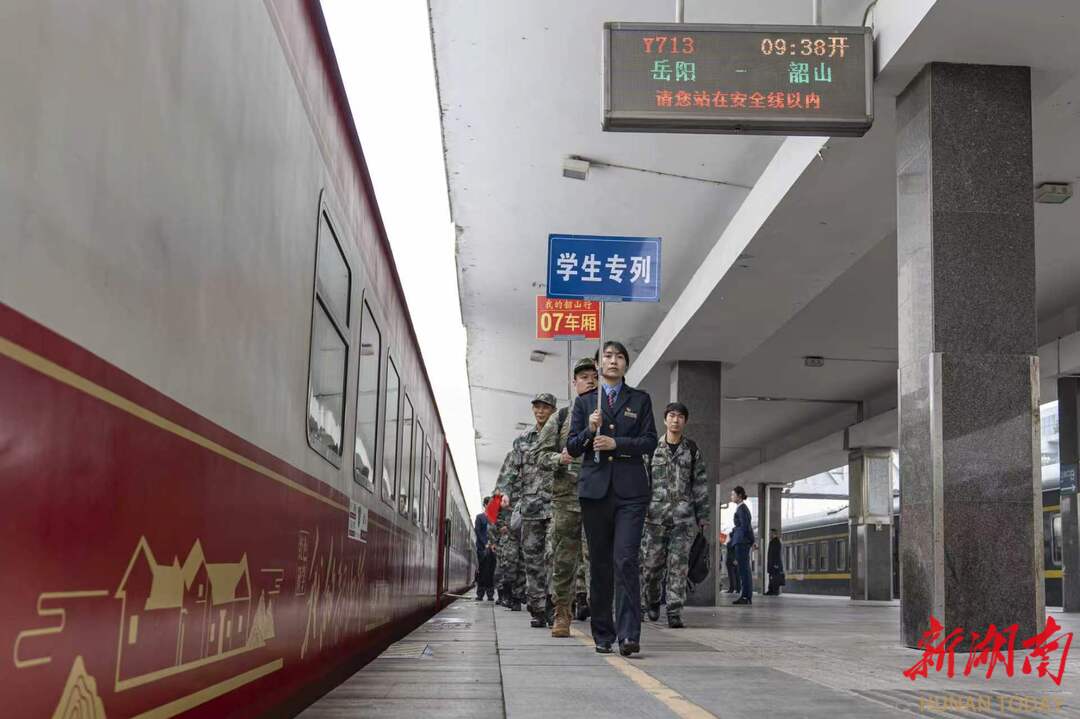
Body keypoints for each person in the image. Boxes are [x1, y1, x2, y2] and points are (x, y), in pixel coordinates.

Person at [567, 341, 657, 656]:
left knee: (625, 559)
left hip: (631, 492)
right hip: (595, 492)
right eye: (607, 356)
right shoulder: (585, 403)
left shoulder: (640, 399)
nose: (613, 361)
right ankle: (603, 633)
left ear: (626, 364)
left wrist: (616, 443)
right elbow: (572, 447)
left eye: (619, 357)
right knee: (601, 564)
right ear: (598, 365)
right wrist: (589, 431)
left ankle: (629, 634)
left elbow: (649, 441)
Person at [532, 357, 598, 637]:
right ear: (574, 383)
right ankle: (562, 613)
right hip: (566, 501)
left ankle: (601, 617)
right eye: (584, 377)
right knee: (563, 561)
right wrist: (560, 458)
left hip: (598, 499)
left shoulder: (607, 415)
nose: (590, 381)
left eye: (594, 376)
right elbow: (539, 457)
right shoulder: (560, 418)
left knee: (599, 560)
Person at [640, 402, 710, 629]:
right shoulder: (652, 448)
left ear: (685, 421)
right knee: (651, 567)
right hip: (654, 519)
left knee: (678, 568)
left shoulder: (692, 449)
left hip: (683, 519)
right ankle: (652, 599)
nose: (675, 420)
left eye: (680, 416)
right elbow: (643, 482)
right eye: (671, 416)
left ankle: (674, 611)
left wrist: (703, 516)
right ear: (665, 420)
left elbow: (700, 483)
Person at [517, 393, 558, 627]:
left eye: (545, 407)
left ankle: (553, 606)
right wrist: (503, 495)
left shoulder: (561, 437)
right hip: (531, 509)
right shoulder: (522, 440)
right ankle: (537, 608)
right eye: (537, 407)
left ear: (553, 411)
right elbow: (511, 470)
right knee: (532, 561)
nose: (540, 411)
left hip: (555, 506)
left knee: (553, 557)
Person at [493, 451, 525, 611]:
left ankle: (517, 597)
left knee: (523, 565)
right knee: (510, 564)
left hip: (526, 528)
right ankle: (509, 595)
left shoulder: (532, 481)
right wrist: (499, 528)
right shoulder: (504, 486)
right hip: (509, 531)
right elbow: (493, 510)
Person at [730, 486, 755, 605]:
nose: (731, 497)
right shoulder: (741, 509)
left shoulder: (742, 509)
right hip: (742, 541)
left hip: (742, 542)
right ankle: (746, 596)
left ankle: (746, 596)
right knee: (744, 569)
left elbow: (746, 527)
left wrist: (751, 541)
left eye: (733, 494)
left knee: (744, 570)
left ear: (739, 496)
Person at [765, 528, 784, 595]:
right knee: (771, 577)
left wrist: (776, 564)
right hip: (772, 563)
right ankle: (770, 590)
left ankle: (775, 591)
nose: (769, 535)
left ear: (774, 533)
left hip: (775, 563)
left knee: (775, 577)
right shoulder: (772, 542)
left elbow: (777, 553)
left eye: (770, 533)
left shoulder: (777, 542)